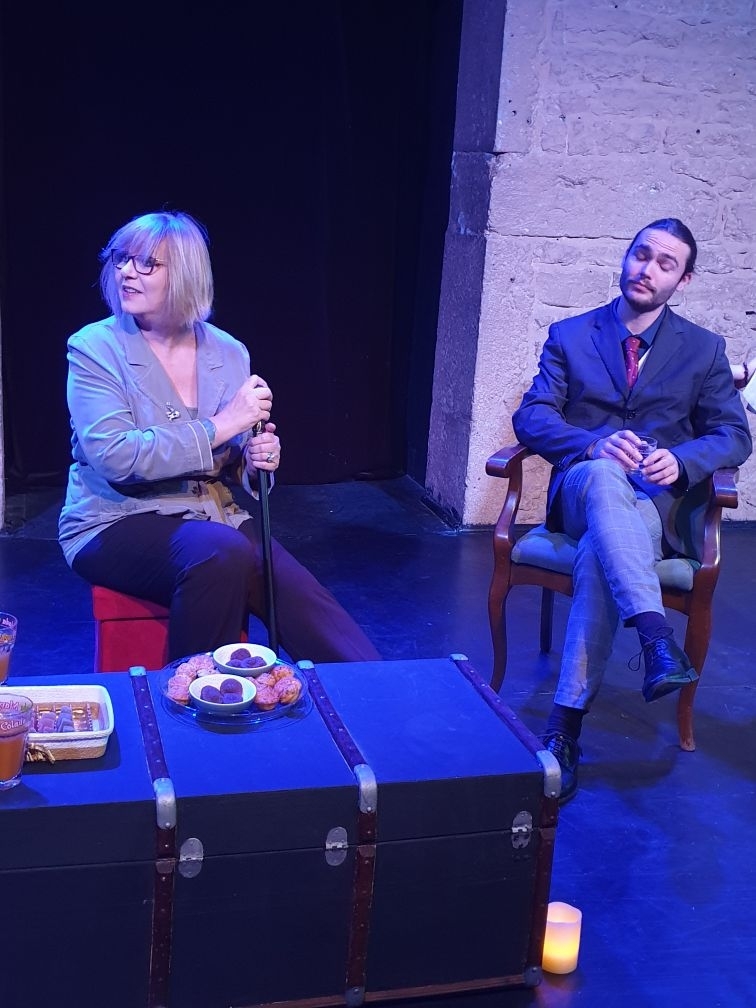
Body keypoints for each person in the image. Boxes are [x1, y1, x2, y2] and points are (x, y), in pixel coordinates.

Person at [59, 210, 382, 665]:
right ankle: (195, 694)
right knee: (220, 553)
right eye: (121, 259)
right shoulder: (95, 348)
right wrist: (222, 424)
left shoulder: (228, 352)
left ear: (185, 273)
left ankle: (377, 690)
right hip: (114, 520)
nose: (127, 272)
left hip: (213, 515)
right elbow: (116, 456)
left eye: (146, 263)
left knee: (300, 595)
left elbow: (232, 458)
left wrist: (254, 460)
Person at [512, 217, 752, 802]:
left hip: (653, 505)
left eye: (666, 264)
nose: (648, 269)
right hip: (582, 489)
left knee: (601, 554)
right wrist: (592, 445)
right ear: (626, 257)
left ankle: (563, 730)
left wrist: (683, 460)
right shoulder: (571, 334)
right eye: (642, 255)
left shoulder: (704, 349)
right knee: (601, 474)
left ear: (683, 280)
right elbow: (533, 416)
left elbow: (733, 434)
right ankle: (653, 635)